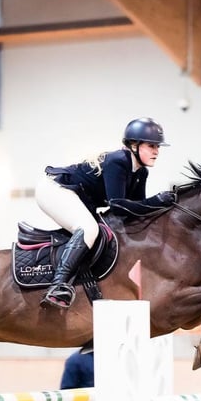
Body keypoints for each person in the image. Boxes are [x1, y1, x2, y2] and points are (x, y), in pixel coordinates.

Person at [35, 117, 174, 309]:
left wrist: (163, 206)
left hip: (79, 197)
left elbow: (135, 209)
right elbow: (118, 206)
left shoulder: (141, 172)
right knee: (89, 229)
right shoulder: (119, 161)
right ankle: (58, 285)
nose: (157, 152)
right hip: (55, 189)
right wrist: (157, 201)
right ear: (134, 145)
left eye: (158, 147)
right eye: (152, 146)